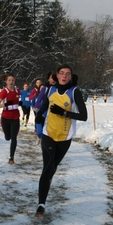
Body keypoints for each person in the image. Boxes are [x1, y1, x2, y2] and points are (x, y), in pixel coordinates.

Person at [34, 64, 88, 217]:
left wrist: (64, 112)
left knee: (52, 168)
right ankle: (41, 204)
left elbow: (84, 116)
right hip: (48, 133)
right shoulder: (50, 89)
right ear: (57, 75)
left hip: (65, 137)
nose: (64, 76)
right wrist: (39, 115)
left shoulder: (74, 92)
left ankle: (47, 182)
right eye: (62, 73)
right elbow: (45, 105)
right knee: (47, 166)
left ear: (71, 77)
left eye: (68, 74)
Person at [0, 73, 22, 164]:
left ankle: (11, 158)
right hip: (5, 117)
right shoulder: (4, 92)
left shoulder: (18, 90)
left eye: (12, 80)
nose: (11, 82)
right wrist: (5, 104)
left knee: (14, 137)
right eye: (9, 80)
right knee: (8, 138)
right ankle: (7, 135)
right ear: (6, 81)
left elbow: (18, 101)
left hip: (15, 117)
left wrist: (20, 103)